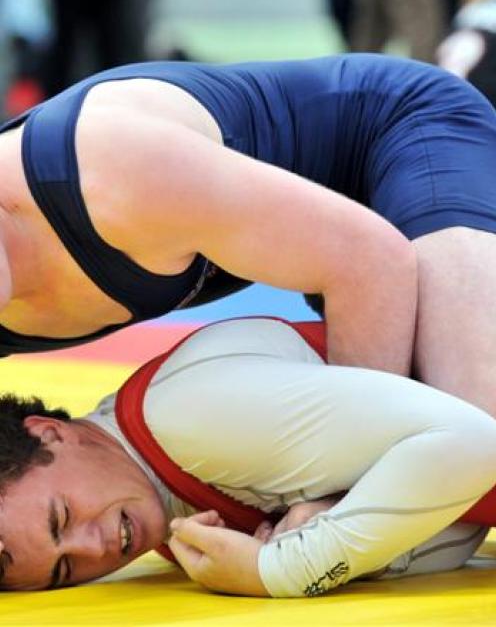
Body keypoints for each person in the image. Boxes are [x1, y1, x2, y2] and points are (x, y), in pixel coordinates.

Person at [1, 53, 496, 418]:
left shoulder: (103, 169)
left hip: (400, 131)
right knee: (432, 525)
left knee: (475, 435)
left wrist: (340, 488)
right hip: (325, 245)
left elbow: (371, 262)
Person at [1, 317, 496, 596]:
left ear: (50, 434)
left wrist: (288, 567)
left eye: (61, 518)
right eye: (66, 570)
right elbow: (460, 529)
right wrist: (333, 519)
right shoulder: (180, 528)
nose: (94, 550)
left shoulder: (190, 415)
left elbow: (475, 441)